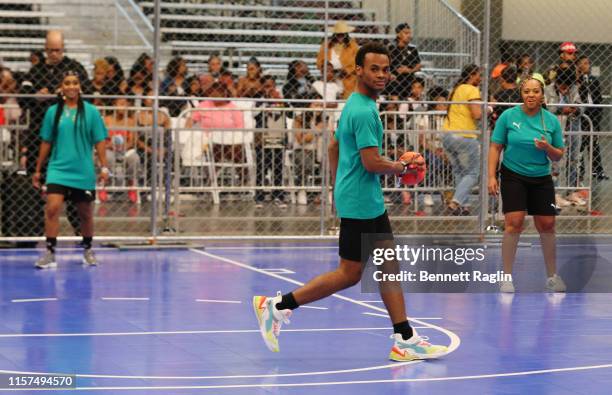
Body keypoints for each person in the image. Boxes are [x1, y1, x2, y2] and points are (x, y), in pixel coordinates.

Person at [253, 42, 448, 361]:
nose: (382, 74)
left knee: (388, 267)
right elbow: (371, 163)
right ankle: (277, 306)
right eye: (374, 69)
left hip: (363, 197)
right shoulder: (363, 110)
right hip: (361, 200)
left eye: (386, 69)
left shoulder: (356, 104)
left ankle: (405, 339)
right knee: (349, 273)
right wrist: (401, 167)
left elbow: (333, 147)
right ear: (358, 70)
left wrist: (337, 185)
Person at [488, 77, 567, 293]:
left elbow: (559, 155)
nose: (530, 95)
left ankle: (552, 276)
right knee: (514, 222)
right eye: (526, 91)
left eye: (535, 91)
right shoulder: (508, 116)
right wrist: (491, 177)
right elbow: (495, 147)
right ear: (521, 94)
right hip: (513, 174)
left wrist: (547, 147)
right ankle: (506, 277)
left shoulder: (550, 121)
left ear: (542, 95)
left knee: (548, 224)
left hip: (541, 177)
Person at [32, 71, 108, 269]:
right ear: (62, 87)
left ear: (80, 86)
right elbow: (46, 141)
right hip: (58, 168)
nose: (72, 86)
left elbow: (100, 140)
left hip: (82, 169)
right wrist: (38, 169)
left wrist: (104, 166)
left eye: (75, 82)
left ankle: (88, 249)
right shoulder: (52, 112)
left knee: (85, 213)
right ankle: (49, 252)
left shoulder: (91, 112)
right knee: (52, 208)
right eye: (67, 83)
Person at [441, 64, 483, 215]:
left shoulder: (457, 89)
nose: (481, 79)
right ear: (472, 75)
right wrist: (489, 109)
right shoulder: (471, 89)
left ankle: (463, 206)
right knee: (473, 173)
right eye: (479, 75)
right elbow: (477, 114)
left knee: (459, 171)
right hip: (464, 135)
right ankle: (455, 202)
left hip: (447, 135)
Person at [576, 55, 607, 181]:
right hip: (582, 114)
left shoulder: (593, 80)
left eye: (588, 63)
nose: (586, 65)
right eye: (583, 63)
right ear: (578, 65)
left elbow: (598, 97)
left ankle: (598, 171)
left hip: (593, 115)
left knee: (594, 144)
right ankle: (580, 170)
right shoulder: (576, 80)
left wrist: (598, 114)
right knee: (580, 145)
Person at [316, 21, 359, 99]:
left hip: (348, 78)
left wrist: (347, 71)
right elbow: (319, 62)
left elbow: (357, 62)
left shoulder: (353, 46)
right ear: (334, 34)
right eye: (338, 34)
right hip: (330, 77)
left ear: (346, 34)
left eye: (343, 34)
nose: (341, 36)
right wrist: (328, 69)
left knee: (347, 99)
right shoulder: (326, 45)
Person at [387, 23, 422, 99]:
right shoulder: (391, 48)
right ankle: (396, 105)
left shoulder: (413, 49)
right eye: (406, 33)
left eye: (409, 33)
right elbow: (384, 64)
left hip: (409, 79)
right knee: (393, 84)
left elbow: (418, 65)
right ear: (398, 34)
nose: (409, 36)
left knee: (418, 84)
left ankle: (411, 106)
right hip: (394, 79)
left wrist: (409, 70)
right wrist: (389, 74)